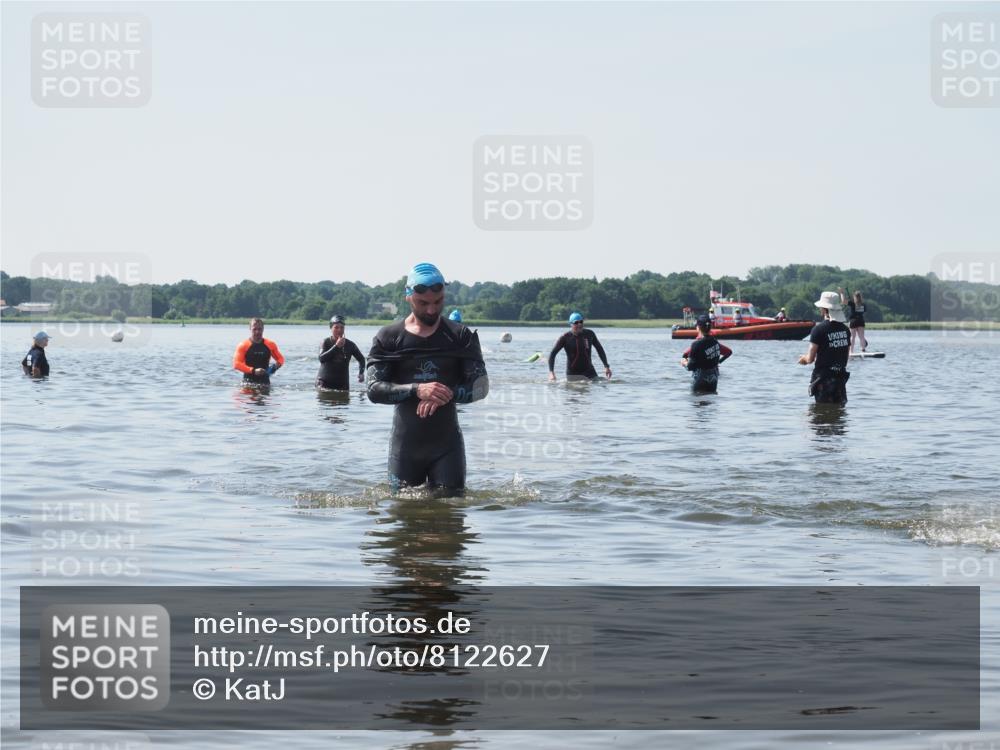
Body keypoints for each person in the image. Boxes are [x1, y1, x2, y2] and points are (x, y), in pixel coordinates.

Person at [366, 263, 489, 496]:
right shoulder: (389, 338)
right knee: (403, 517)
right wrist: (417, 390)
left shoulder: (460, 336)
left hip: (447, 448)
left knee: (451, 516)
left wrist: (447, 393)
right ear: (408, 297)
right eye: (424, 303)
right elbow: (373, 389)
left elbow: (481, 386)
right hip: (405, 449)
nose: (432, 310)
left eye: (438, 301)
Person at [798, 291, 851, 404]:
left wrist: (803, 359)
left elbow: (810, 359)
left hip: (824, 380)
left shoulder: (819, 330)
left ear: (825, 309)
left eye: (821, 307)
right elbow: (845, 359)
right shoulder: (845, 330)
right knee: (838, 415)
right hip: (840, 380)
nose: (820, 309)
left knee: (821, 416)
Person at [548, 312, 612, 381]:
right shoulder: (565, 337)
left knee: (602, 385)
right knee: (575, 390)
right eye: (576, 323)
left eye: (581, 322)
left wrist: (606, 366)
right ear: (571, 324)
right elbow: (552, 354)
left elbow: (600, 349)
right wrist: (551, 373)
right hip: (573, 374)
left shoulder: (589, 334)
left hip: (589, 371)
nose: (579, 324)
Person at [680, 315, 732, 393]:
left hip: (700, 380)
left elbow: (690, 367)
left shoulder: (696, 344)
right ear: (710, 326)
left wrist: (683, 362)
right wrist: (718, 362)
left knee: (697, 401)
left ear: (698, 327)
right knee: (711, 402)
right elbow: (729, 352)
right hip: (713, 380)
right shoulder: (715, 342)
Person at [317, 315, 365, 390]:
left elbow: (361, 359)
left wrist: (361, 373)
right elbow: (321, 359)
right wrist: (336, 346)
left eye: (342, 327)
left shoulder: (350, 345)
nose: (339, 330)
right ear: (331, 328)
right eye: (336, 327)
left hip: (342, 385)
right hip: (324, 384)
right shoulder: (325, 342)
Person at [233, 317, 285, 385]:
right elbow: (236, 364)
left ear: (263, 329)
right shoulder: (243, 345)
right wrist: (253, 370)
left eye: (259, 329)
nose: (257, 332)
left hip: (265, 382)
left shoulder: (270, 344)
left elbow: (281, 359)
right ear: (250, 329)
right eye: (254, 329)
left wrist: (274, 368)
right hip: (248, 383)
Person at [840, 287, 868, 353]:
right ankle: (863, 350)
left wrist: (841, 293)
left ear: (854, 297)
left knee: (852, 337)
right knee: (861, 337)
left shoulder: (852, 304)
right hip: (861, 321)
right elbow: (862, 311)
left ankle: (851, 351)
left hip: (853, 321)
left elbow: (843, 301)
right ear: (860, 297)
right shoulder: (864, 305)